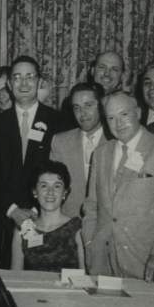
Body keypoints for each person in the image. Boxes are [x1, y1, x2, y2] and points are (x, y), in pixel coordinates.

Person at [83, 92, 154, 281]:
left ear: (138, 113)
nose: (118, 123)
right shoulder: (101, 154)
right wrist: (90, 242)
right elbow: (92, 205)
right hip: (103, 261)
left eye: (124, 114)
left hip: (146, 262)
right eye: (111, 118)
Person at [0, 55, 65, 263]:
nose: (23, 83)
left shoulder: (59, 121)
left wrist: (37, 209)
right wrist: (13, 211)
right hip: (5, 219)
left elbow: (62, 174)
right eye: (17, 78)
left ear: (39, 81)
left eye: (29, 77)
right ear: (9, 84)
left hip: (46, 218)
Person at [48, 82, 108, 218]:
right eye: (77, 108)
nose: (82, 113)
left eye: (88, 105)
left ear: (101, 106)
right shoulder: (60, 142)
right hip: (69, 221)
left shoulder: (115, 140)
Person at [11, 162, 84, 272]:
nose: (50, 192)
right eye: (44, 185)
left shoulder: (78, 228)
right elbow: (15, 278)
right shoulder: (22, 228)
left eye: (57, 186)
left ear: (65, 192)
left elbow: (85, 278)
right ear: (35, 192)